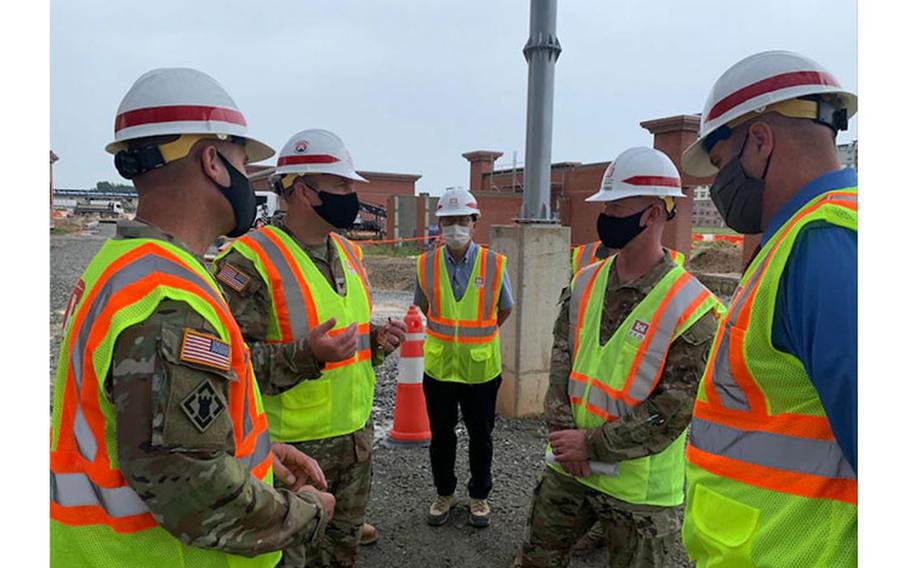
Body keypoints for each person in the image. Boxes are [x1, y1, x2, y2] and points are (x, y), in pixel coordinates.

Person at [50, 68, 335, 568]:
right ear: (212, 162)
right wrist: (303, 513)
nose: (251, 183)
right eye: (245, 165)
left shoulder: (123, 266)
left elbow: (151, 433)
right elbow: (192, 491)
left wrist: (261, 458)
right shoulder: (166, 297)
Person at [679, 50, 857, 567]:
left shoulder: (823, 244)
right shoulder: (800, 239)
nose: (719, 187)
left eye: (719, 166)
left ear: (759, 142)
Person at [514, 147, 725, 568]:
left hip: (639, 491)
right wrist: (565, 438)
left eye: (617, 206)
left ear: (651, 214)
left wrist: (590, 444)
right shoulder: (586, 282)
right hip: (568, 468)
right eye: (607, 205)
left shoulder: (692, 308)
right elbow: (561, 362)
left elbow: (674, 409)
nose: (607, 215)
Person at [214, 128, 407, 568]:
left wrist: (376, 342)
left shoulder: (349, 254)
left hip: (355, 445)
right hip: (290, 457)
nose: (352, 195)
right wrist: (307, 356)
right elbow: (228, 371)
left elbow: (347, 343)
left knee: (341, 555)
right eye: (341, 186)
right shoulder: (249, 262)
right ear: (304, 190)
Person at [413, 187, 513, 528]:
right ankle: (444, 493)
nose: (455, 227)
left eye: (461, 220)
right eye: (448, 221)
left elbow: (505, 308)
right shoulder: (425, 264)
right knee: (441, 436)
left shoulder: (494, 263)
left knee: (481, 436)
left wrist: (478, 335)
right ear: (440, 225)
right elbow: (424, 306)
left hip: (481, 370)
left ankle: (479, 496)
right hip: (440, 368)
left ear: (474, 223)